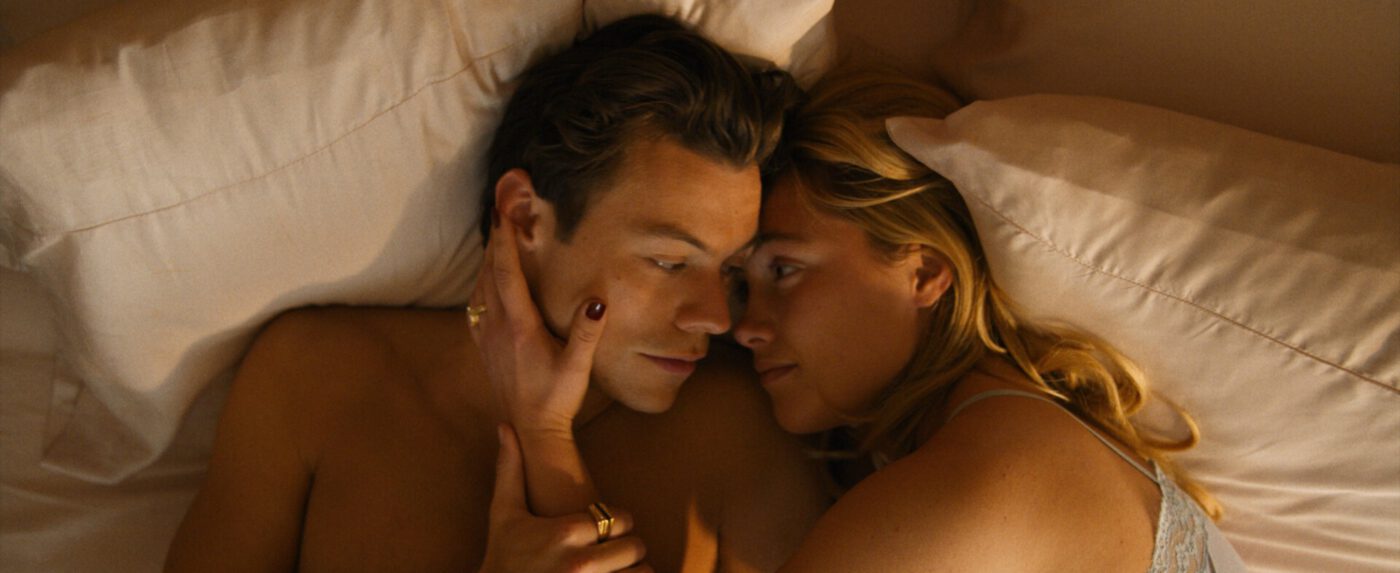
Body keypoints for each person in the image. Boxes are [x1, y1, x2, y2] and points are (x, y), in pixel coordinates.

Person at [478, 69, 1248, 571]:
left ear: (924, 272)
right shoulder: (999, 432)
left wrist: (545, 433)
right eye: (745, 282)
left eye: (785, 270)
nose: (742, 325)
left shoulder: (972, 486)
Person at [164, 15, 828, 573]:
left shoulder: (739, 434)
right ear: (525, 217)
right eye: (668, 261)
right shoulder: (314, 379)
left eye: (730, 272)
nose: (714, 317)